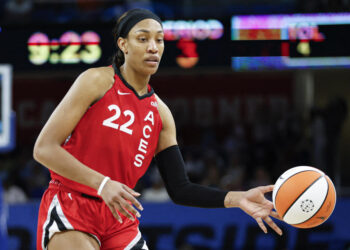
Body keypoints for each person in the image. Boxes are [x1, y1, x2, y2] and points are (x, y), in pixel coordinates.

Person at [33, 8, 283, 250]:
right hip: (73, 204)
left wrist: (237, 198)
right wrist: (102, 184)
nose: (153, 47)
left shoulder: (161, 114)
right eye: (142, 39)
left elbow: (180, 189)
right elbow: (44, 148)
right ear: (123, 45)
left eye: (159, 40)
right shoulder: (97, 81)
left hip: (120, 219)